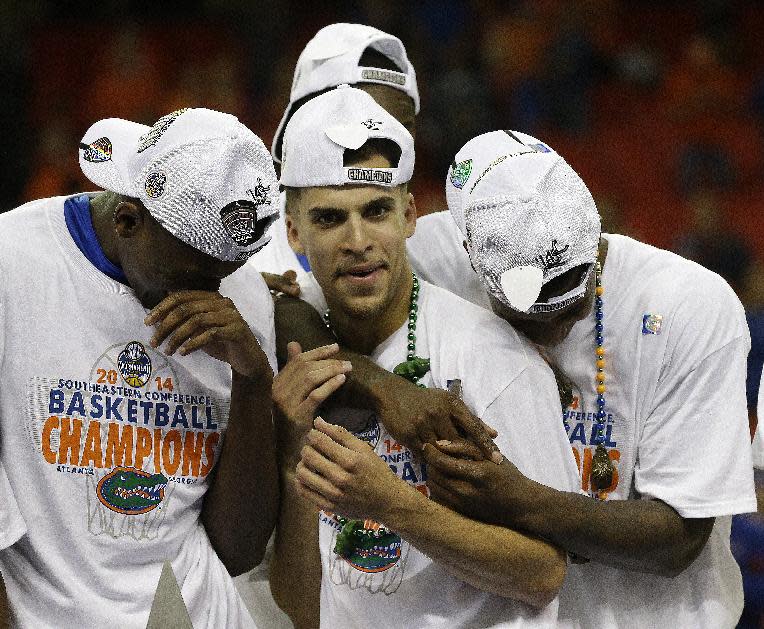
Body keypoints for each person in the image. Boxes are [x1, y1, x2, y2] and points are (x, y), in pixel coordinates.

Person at [411, 130, 756, 628]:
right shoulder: (433, 253)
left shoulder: (688, 305)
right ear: (469, 255)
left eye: (573, 300)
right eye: (533, 313)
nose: (557, 325)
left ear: (593, 238)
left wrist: (516, 499)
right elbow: (300, 311)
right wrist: (394, 393)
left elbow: (678, 538)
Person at [272, 84, 580, 628]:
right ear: (294, 231)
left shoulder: (491, 359)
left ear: (409, 215)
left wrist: (392, 505)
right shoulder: (299, 365)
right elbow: (300, 607)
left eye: (375, 211)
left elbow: (544, 574)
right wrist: (293, 442)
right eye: (329, 219)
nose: (358, 240)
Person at [0, 107, 280, 628]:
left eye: (227, 273)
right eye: (194, 274)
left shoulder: (239, 296)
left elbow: (238, 550)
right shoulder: (12, 262)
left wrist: (253, 378)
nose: (212, 294)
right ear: (128, 220)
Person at [252, 22, 419, 300]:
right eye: (364, 124)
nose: (391, 140)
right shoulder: (245, 265)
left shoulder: (439, 253)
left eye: (401, 127)